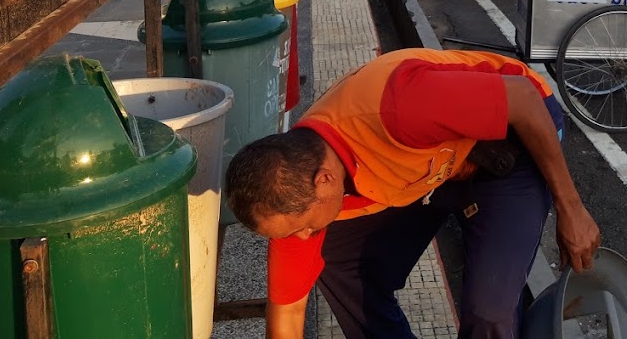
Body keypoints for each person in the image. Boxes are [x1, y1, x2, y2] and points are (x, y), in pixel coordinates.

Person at [225, 48, 600, 339]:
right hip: (436, 166)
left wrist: (572, 208)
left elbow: (521, 98)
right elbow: (286, 320)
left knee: (491, 309)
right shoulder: (290, 196)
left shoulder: (400, 108)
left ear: (324, 180)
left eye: (303, 227)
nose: (302, 237)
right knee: (335, 258)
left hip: (513, 139)